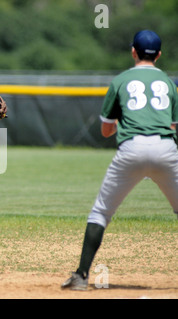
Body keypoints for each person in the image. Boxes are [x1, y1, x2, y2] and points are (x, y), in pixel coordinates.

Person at [61, 30, 178, 290]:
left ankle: (81, 277)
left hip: (131, 149)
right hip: (166, 148)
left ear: (133, 52)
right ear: (159, 55)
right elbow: (172, 125)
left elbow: (105, 130)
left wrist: (125, 124)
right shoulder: (170, 84)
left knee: (101, 212)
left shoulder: (121, 81)